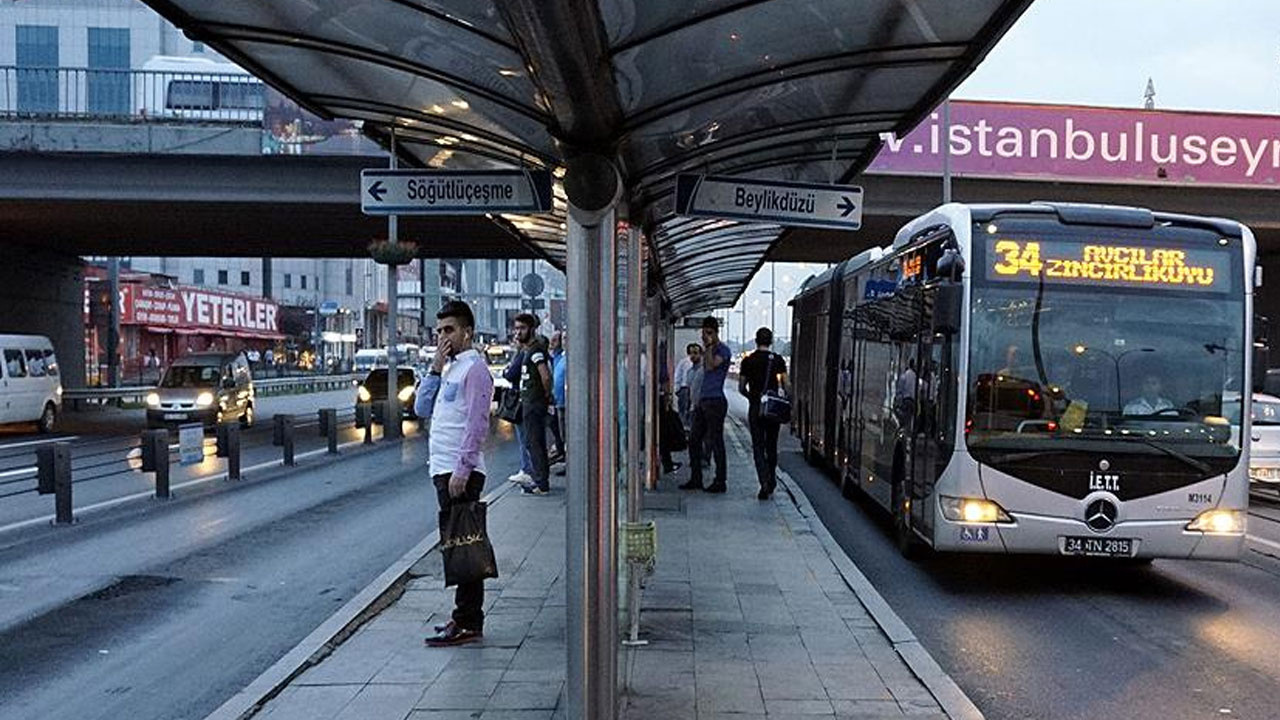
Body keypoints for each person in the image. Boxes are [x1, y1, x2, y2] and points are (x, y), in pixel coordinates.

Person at [414, 300, 494, 647]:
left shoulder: (475, 369)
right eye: (439, 331)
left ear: (467, 332)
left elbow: (478, 423)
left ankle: (468, 620)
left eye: (449, 330)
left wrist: (462, 469)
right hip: (443, 468)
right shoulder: (450, 368)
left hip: (460, 472)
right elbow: (420, 407)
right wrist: (434, 367)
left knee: (465, 547)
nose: (443, 337)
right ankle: (462, 617)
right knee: (456, 545)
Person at [681, 316, 731, 493]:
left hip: (716, 400)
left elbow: (710, 367)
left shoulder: (722, 350)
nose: (705, 336)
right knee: (694, 440)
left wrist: (709, 346)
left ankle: (720, 480)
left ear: (716, 332)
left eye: (708, 333)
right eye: (703, 333)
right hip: (703, 400)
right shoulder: (707, 350)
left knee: (716, 440)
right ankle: (696, 477)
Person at [739, 327, 788, 500]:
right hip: (773, 409)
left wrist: (753, 397)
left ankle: (764, 481)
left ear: (756, 340)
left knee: (758, 446)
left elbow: (741, 387)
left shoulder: (748, 361)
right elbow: (786, 385)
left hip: (756, 408)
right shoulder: (778, 360)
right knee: (772, 445)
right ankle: (771, 476)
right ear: (771, 341)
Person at [514, 313, 554, 495]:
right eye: (516, 328)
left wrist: (544, 396)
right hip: (529, 402)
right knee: (532, 442)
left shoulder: (536, 350)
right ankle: (540, 480)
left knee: (534, 442)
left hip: (533, 403)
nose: (518, 332)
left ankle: (541, 483)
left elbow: (545, 376)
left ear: (531, 329)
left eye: (522, 328)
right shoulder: (528, 350)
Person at [503, 343, 533, 484]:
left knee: (524, 438)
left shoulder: (522, 355)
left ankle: (527, 469)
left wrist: (506, 371)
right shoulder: (527, 355)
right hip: (527, 399)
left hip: (521, 400)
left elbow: (510, 374)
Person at [548, 331, 567, 464]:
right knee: (561, 433)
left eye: (555, 340)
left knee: (565, 433)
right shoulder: (558, 357)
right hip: (558, 401)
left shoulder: (567, 357)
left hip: (565, 402)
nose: (552, 343)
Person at [674, 343, 699, 429]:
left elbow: (677, 376)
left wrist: (677, 390)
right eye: (691, 352)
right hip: (685, 389)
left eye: (695, 353)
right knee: (686, 411)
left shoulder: (697, 365)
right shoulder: (685, 362)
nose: (693, 355)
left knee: (686, 411)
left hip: (688, 390)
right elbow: (678, 376)